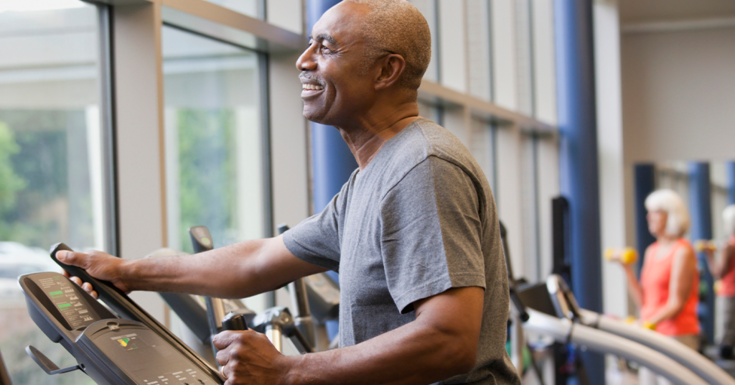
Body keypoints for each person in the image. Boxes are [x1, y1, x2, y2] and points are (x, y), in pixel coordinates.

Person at [57, 1, 520, 384]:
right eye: (308, 44)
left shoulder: (422, 167)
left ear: (386, 71)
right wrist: (128, 272)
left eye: (326, 47)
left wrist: (287, 371)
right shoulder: (374, 176)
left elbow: (449, 339)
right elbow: (258, 261)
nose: (303, 60)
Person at [619, 189, 699, 385]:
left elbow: (676, 303)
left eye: (655, 212)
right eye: (649, 212)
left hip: (676, 335)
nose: (648, 217)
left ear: (670, 215)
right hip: (652, 333)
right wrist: (626, 269)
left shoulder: (682, 251)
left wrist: (648, 323)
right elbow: (644, 302)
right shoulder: (651, 251)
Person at [704, 205, 735, 359]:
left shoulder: (728, 246)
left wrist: (708, 255)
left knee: (726, 333)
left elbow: (718, 273)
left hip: (729, 292)